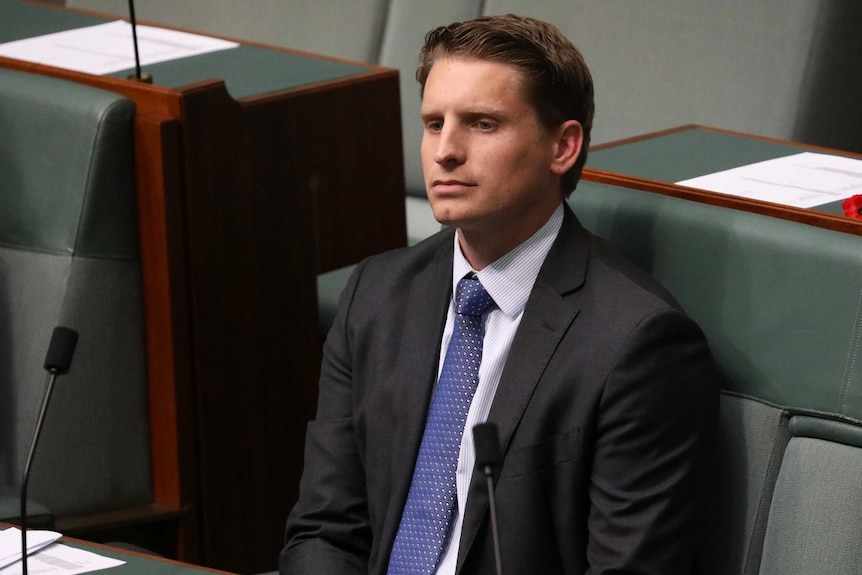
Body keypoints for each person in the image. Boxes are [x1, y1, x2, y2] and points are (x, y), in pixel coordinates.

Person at [281, 13, 719, 575]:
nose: (446, 151)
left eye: (482, 124)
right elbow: (324, 530)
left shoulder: (637, 344)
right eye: (434, 123)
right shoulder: (378, 293)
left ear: (563, 146)